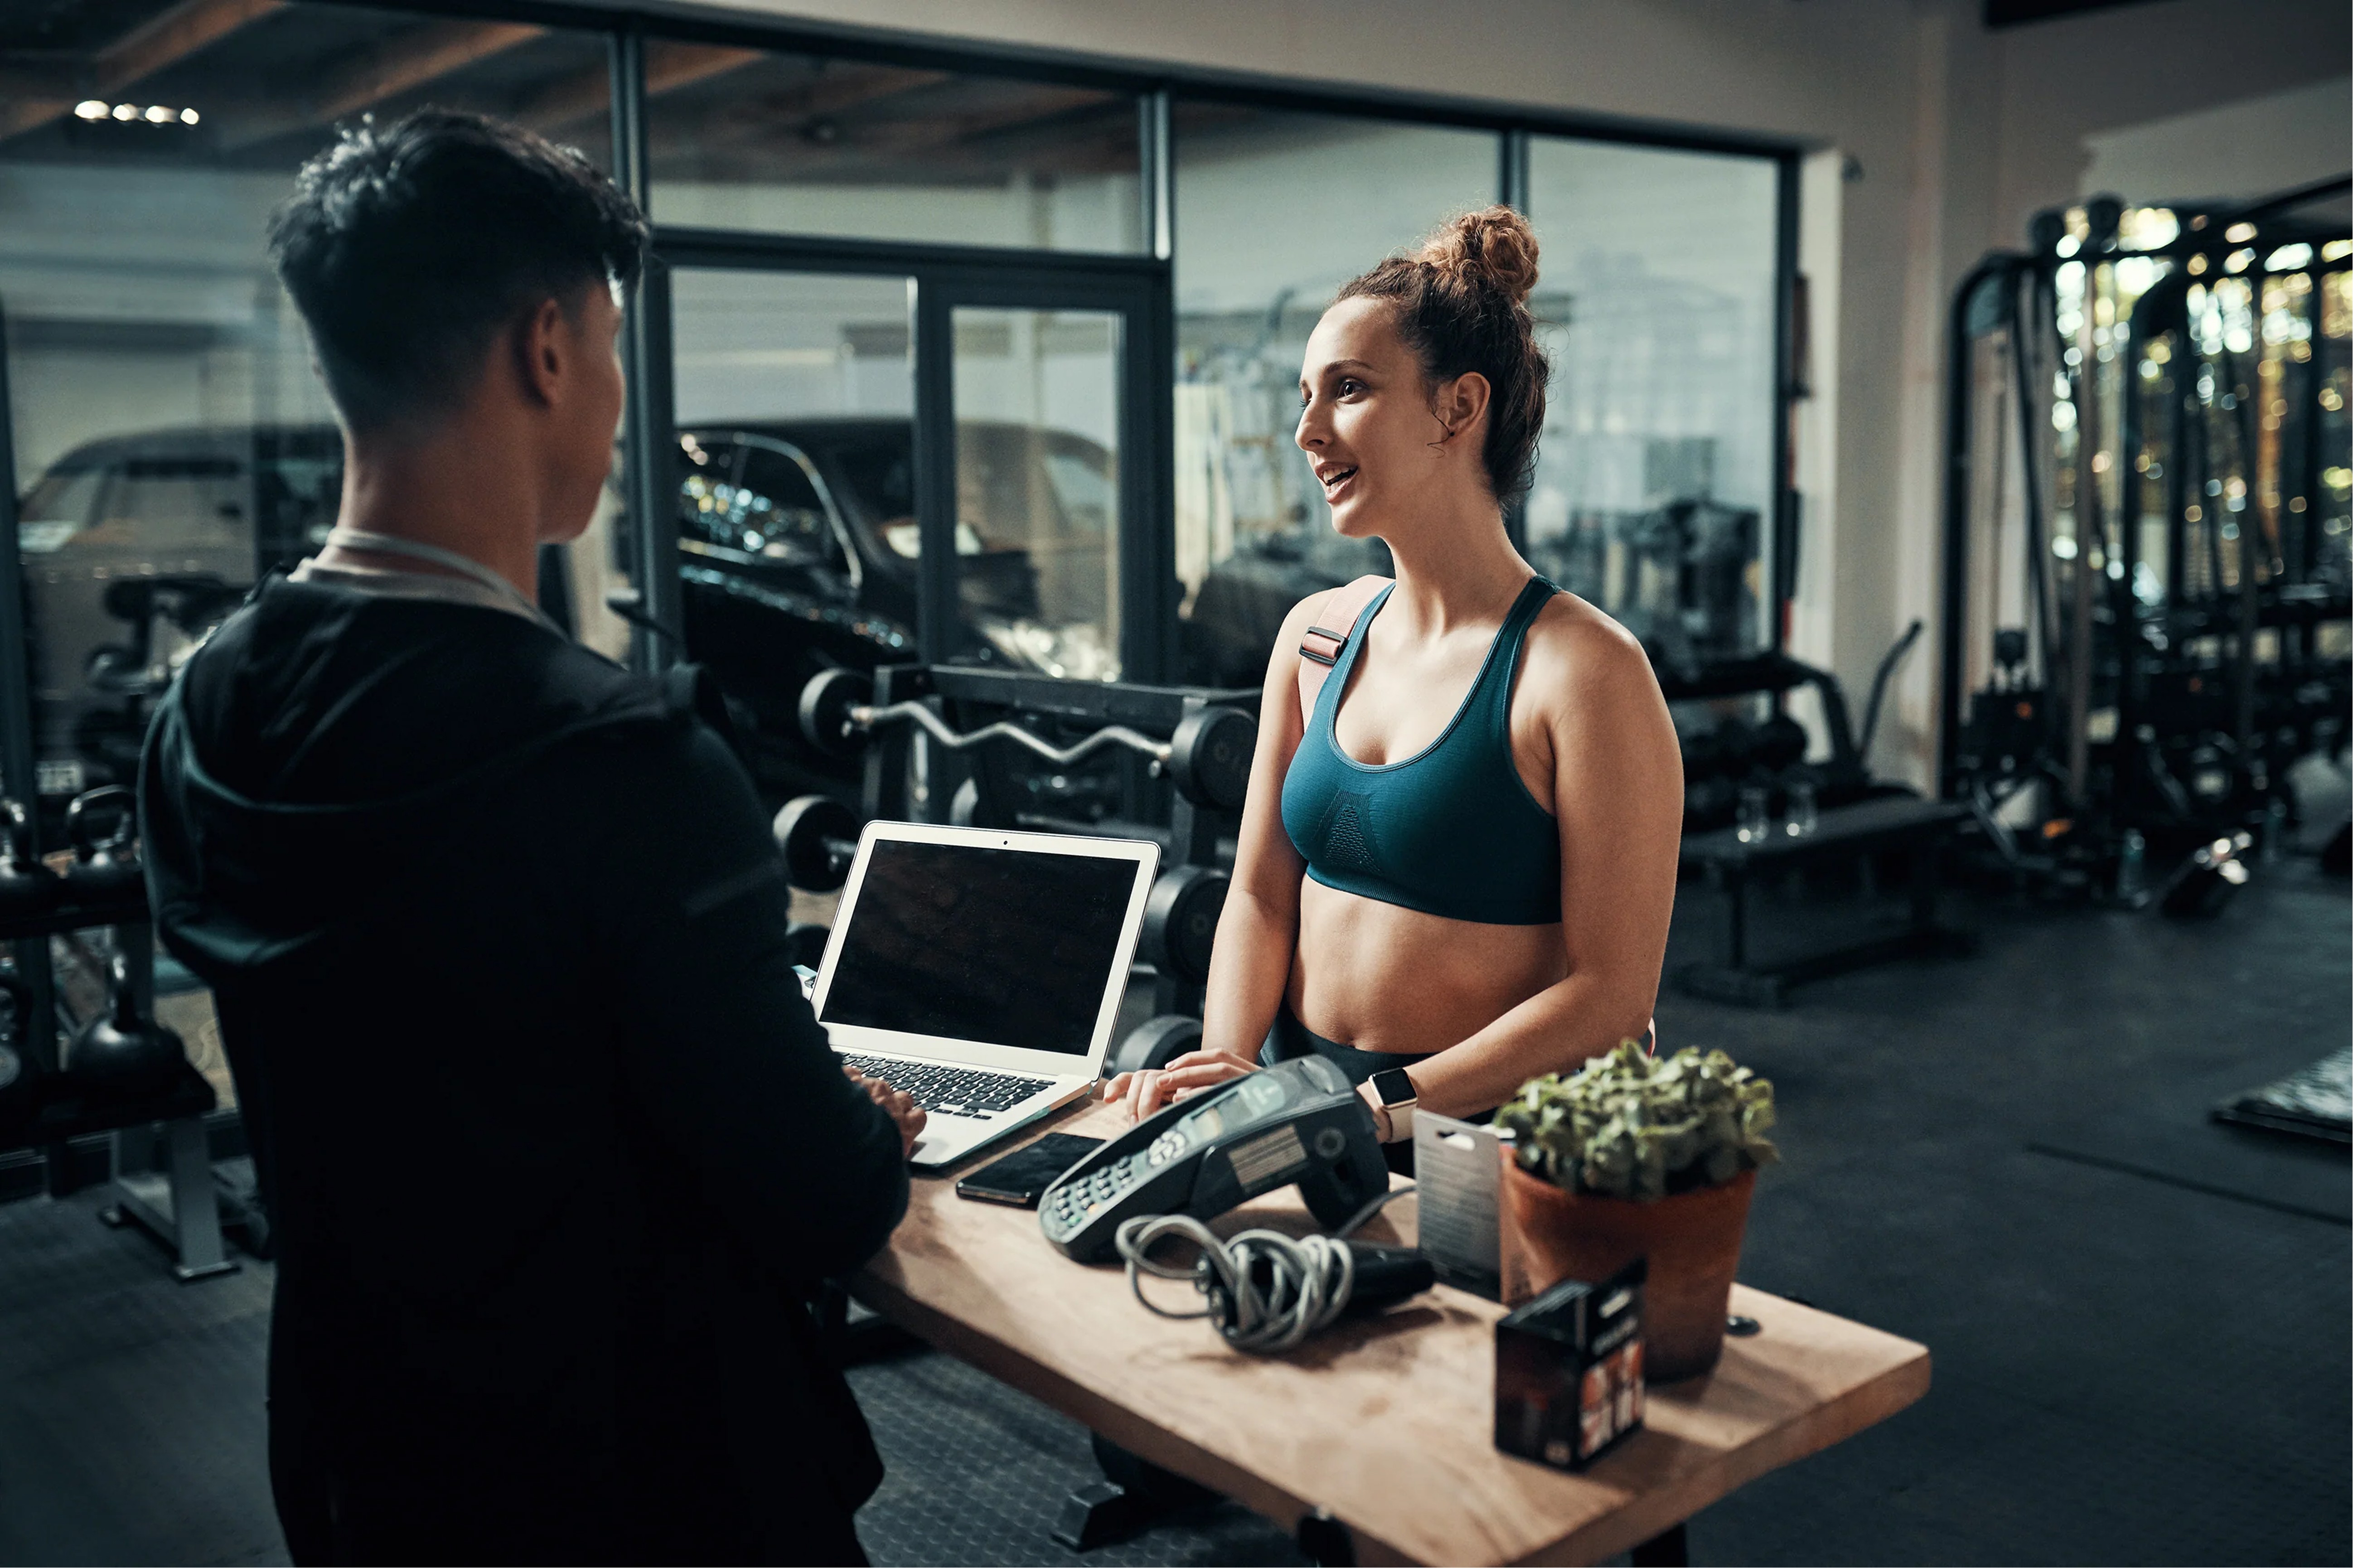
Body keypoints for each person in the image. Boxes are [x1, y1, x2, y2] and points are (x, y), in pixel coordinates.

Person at [139, 110, 925, 1566]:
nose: (619, 400)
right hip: (650, 1486)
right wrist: (857, 1120)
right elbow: (817, 1191)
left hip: (367, 1464)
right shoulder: (623, 764)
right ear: (549, 349)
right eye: (612, 350)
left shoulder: (203, 711)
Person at [1104, 208, 1683, 1153]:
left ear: (1458, 408)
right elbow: (1256, 893)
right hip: (1294, 1106)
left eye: (1348, 390)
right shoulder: (1317, 635)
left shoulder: (1584, 671)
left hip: (1475, 1132)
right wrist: (1228, 1067)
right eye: (1305, 395)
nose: (1306, 431)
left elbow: (1610, 995)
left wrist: (1379, 1109)